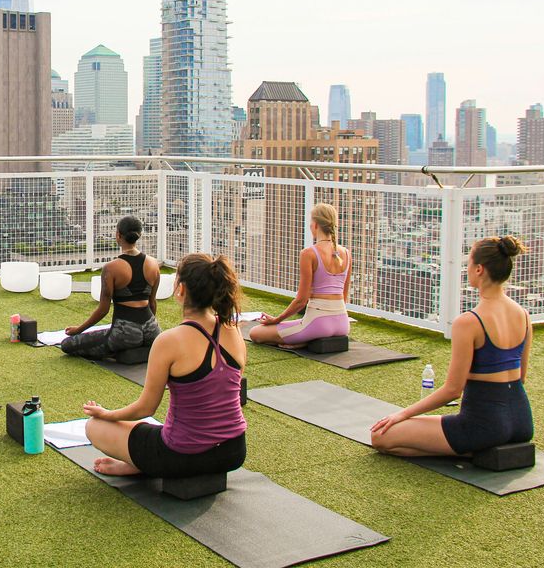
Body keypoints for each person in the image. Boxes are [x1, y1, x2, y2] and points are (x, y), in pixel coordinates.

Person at [82, 253, 247, 478]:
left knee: (94, 427)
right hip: (233, 452)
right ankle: (138, 462)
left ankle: (142, 463)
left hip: (182, 456)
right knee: (160, 429)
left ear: (181, 290)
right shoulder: (233, 330)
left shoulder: (169, 341)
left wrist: (106, 414)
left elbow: (146, 408)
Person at [371, 236, 533, 457]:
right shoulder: (523, 315)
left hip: (484, 427)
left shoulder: (469, 322)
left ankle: (464, 450)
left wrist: (402, 414)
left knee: (381, 436)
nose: (466, 268)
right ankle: (464, 445)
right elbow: (521, 377)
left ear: (479, 270)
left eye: (468, 263)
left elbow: (452, 390)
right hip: (522, 422)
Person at [247, 203, 351, 346]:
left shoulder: (309, 253)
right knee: (299, 324)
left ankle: (303, 339)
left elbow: (301, 300)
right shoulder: (346, 253)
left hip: (318, 325)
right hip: (343, 324)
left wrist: (277, 320)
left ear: (314, 225)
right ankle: (304, 337)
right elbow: (344, 297)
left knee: (255, 332)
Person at [61, 216, 161, 359]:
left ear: (118, 235)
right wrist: (148, 328)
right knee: (122, 337)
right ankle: (141, 350)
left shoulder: (111, 268)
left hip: (125, 333)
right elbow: (152, 303)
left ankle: (123, 351)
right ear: (139, 235)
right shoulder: (153, 264)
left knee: (67, 345)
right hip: (152, 330)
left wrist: (78, 330)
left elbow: (103, 310)